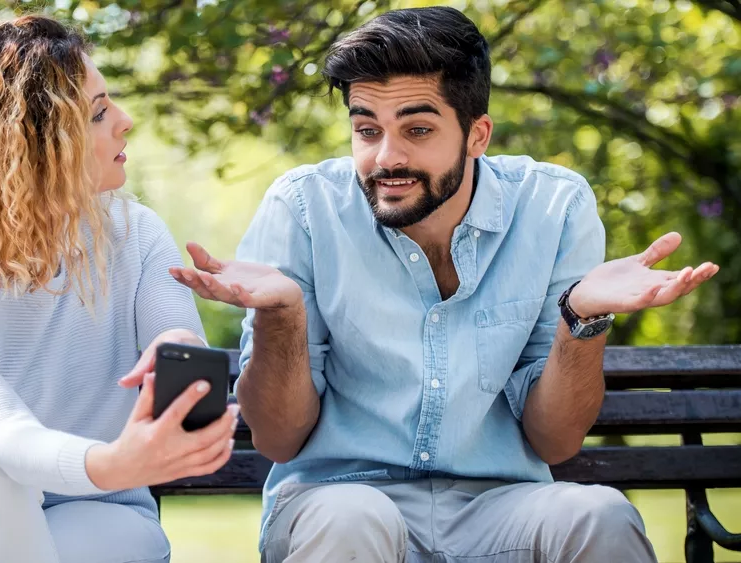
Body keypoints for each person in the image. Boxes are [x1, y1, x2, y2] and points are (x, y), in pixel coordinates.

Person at [164, 7, 719, 563]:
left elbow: (555, 442)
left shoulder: (556, 207)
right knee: (355, 517)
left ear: (477, 135)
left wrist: (583, 318)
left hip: (500, 505)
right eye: (366, 130)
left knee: (601, 515)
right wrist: (282, 316)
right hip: (338, 498)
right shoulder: (303, 209)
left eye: (418, 129)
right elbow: (279, 441)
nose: (387, 157)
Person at [0, 15, 238, 563]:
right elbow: (3, 436)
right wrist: (112, 463)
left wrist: (177, 352)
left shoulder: (137, 234)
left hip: (98, 508)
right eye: (98, 113)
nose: (125, 122)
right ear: (33, 145)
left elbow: (180, 347)